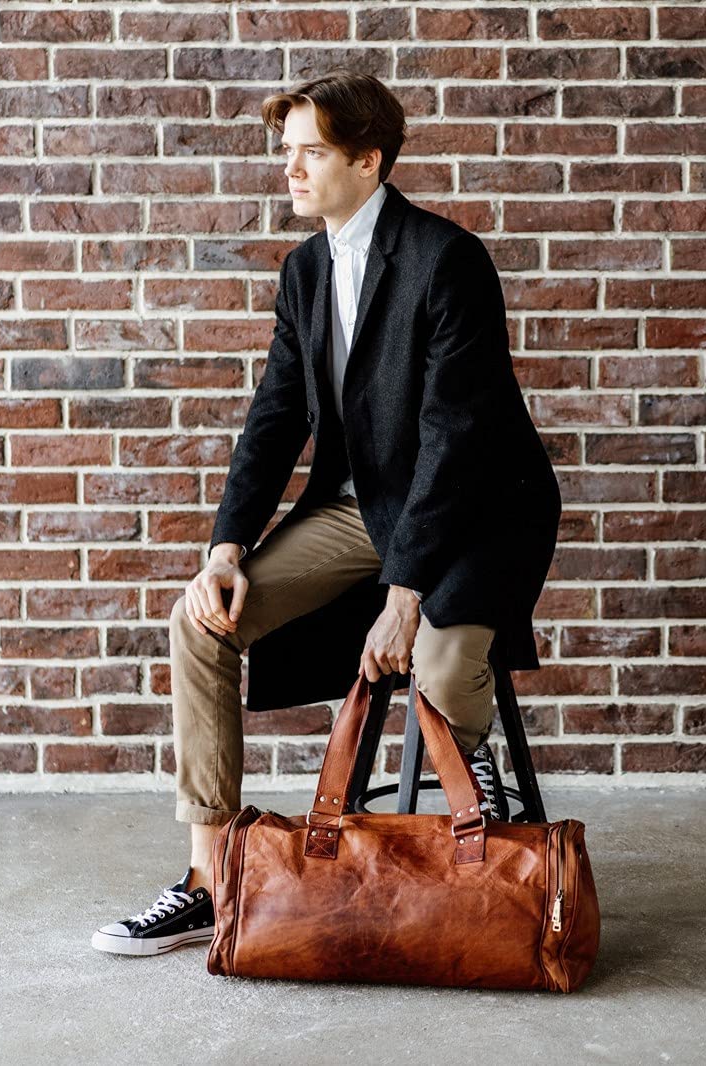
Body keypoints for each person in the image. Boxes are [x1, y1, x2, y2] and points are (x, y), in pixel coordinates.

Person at [91, 71, 561, 957]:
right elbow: (276, 414)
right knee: (199, 623)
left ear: (367, 160)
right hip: (362, 510)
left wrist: (406, 588)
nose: (290, 170)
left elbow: (454, 437)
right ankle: (209, 880)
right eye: (286, 152)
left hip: (477, 510)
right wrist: (226, 546)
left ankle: (469, 820)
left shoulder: (444, 259)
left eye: (310, 152)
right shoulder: (305, 270)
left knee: (442, 660)